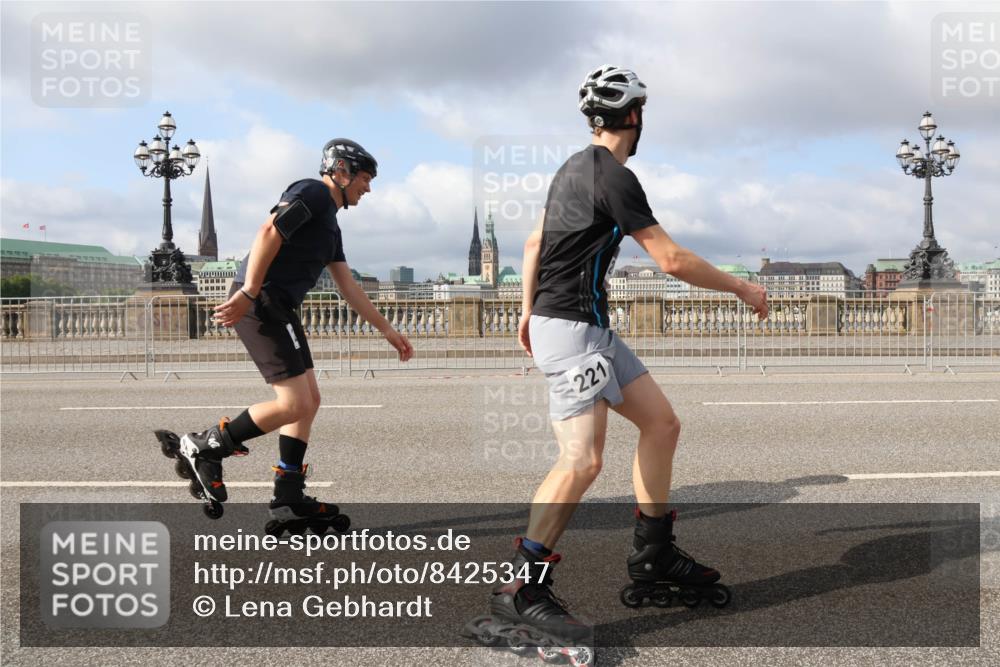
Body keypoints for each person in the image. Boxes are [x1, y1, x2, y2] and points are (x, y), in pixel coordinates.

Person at [467, 66, 769, 659]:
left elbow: (533, 244)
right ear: (635, 117)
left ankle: (653, 551)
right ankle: (523, 590)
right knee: (581, 459)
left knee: (662, 423)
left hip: (587, 328)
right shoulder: (615, 177)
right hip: (574, 331)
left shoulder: (571, 169)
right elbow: (672, 260)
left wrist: (528, 312)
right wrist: (742, 288)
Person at [169, 138, 413, 530]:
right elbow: (270, 230)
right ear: (342, 171)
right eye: (365, 178)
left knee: (309, 400)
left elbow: (348, 286)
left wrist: (387, 330)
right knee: (295, 402)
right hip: (262, 301)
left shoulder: (330, 224)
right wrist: (248, 291)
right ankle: (206, 444)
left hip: (278, 306)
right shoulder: (313, 192)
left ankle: (288, 497)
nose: (369, 188)